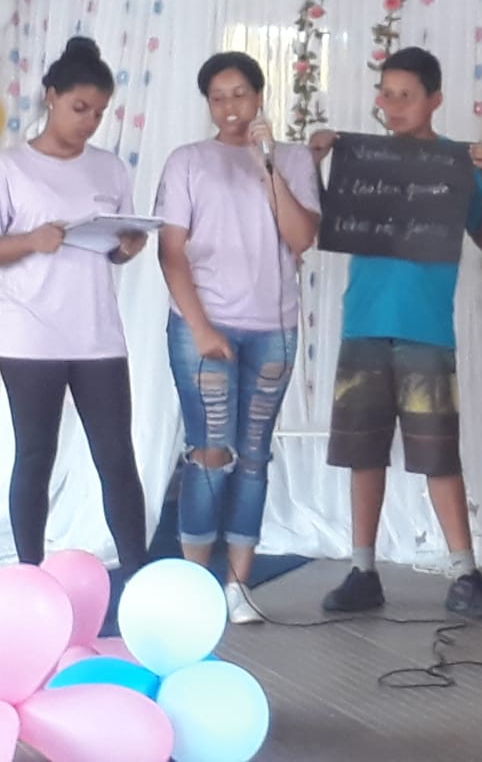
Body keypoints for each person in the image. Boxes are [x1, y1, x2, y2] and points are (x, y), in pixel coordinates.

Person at [308, 46, 482, 618]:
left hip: (426, 330)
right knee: (362, 451)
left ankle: (464, 572)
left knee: (437, 451)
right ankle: (362, 568)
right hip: (363, 323)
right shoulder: (363, 159)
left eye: (407, 95)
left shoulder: (456, 163)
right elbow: (323, 221)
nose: (393, 105)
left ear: (435, 100)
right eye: (386, 94)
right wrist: (316, 162)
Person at [0, 36, 149, 573]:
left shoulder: (110, 169)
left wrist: (127, 247)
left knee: (116, 456)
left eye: (99, 113)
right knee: (35, 455)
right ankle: (30, 572)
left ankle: (137, 571)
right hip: (30, 336)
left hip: (97, 335)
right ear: (50, 96)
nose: (89, 122)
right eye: (80, 108)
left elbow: (115, 246)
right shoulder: (8, 168)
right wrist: (31, 240)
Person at [155, 51, 321, 624]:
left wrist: (267, 165)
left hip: (274, 328)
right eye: (218, 97)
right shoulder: (188, 161)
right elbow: (171, 252)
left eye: (240, 94)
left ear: (259, 96)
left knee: (254, 455)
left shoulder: (291, 160)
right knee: (209, 453)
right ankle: (193, 584)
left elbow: (300, 238)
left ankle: (239, 586)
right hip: (203, 325)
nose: (230, 107)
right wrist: (201, 327)